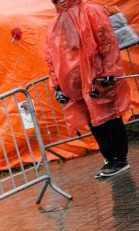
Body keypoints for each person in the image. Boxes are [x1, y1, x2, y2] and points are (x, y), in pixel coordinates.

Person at [45, 0, 131, 179]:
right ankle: (109, 159)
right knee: (93, 121)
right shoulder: (55, 24)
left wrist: (110, 70)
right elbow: (51, 57)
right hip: (76, 84)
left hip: (97, 77)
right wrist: (57, 86)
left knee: (110, 117)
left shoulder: (92, 11)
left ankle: (120, 159)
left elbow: (107, 42)